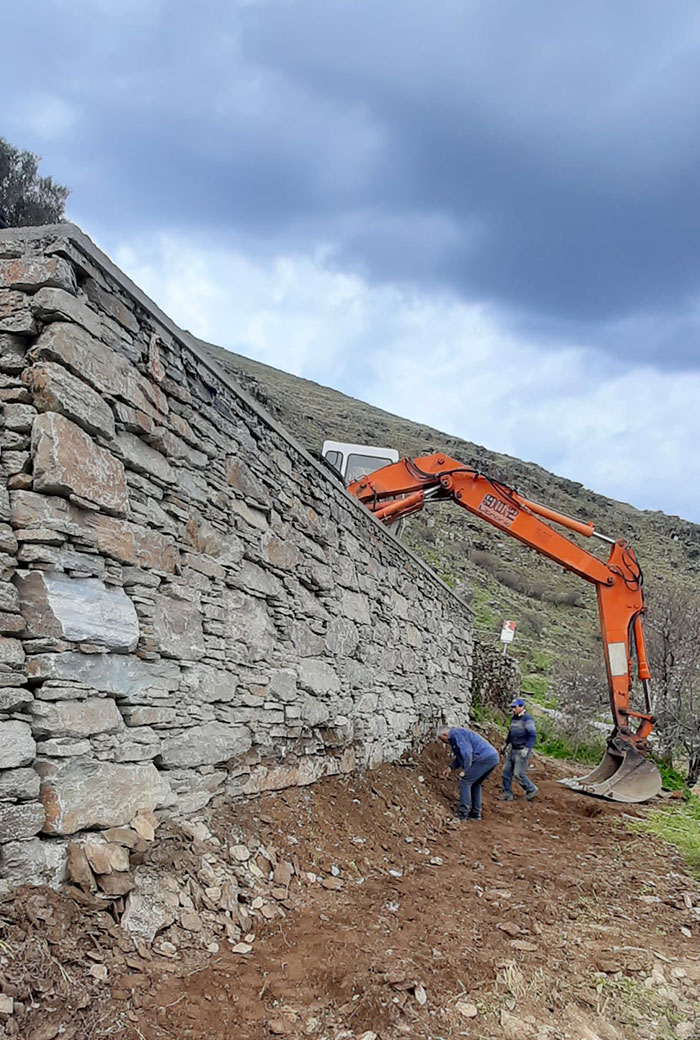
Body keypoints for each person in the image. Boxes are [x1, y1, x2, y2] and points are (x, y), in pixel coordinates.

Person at [439, 726, 500, 821]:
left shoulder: (456, 734)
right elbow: (460, 756)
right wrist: (451, 767)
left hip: (484, 758)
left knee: (465, 781)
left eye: (442, 740)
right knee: (476, 784)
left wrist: (465, 770)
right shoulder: (457, 735)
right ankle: (476, 814)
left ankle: (463, 814)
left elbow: (467, 753)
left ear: (445, 734)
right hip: (492, 757)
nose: (444, 743)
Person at [501, 697, 538, 801]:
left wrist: (527, 748)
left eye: (515, 707)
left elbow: (533, 735)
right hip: (513, 749)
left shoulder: (527, 719)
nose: (513, 709)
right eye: (512, 707)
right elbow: (511, 732)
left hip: (521, 750)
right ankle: (507, 794)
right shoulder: (514, 718)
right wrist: (506, 744)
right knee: (506, 772)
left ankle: (531, 789)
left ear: (522, 707)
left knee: (518, 773)